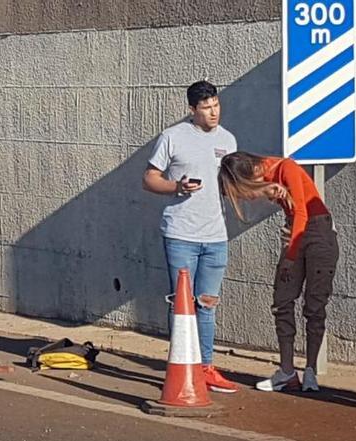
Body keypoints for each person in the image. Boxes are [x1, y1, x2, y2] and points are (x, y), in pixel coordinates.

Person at [143, 80, 239, 393]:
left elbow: (232, 184)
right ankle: (182, 364)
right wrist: (177, 187)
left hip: (215, 236)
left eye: (216, 105)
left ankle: (207, 367)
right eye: (206, 108)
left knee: (207, 303)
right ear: (192, 110)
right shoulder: (173, 137)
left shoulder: (228, 140)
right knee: (181, 304)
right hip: (181, 234)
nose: (213, 112)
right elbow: (150, 178)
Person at [219, 151, 339, 392]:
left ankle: (311, 369)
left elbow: (303, 212)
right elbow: (295, 214)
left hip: (317, 231)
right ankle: (287, 370)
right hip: (297, 230)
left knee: (314, 304)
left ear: (251, 173)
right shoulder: (271, 177)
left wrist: (291, 257)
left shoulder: (286, 168)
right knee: (282, 300)